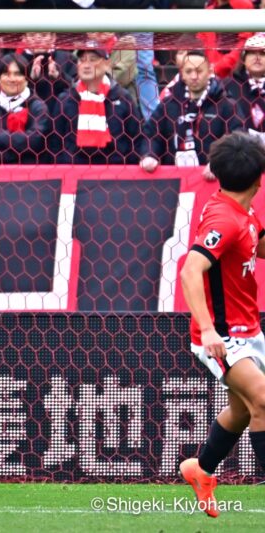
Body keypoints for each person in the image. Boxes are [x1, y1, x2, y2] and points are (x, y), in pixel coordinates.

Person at [178, 131, 265, 518]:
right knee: (264, 399)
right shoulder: (224, 219)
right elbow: (190, 270)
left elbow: (257, 245)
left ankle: (201, 470)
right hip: (222, 336)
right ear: (259, 178)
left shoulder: (241, 211)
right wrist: (209, 329)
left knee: (244, 410)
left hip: (250, 329)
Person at [140, 50, 241, 173]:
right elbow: (151, 134)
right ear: (182, 73)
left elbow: (237, 138)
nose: (194, 76)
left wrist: (220, 163)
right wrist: (150, 155)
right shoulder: (169, 104)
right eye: (188, 71)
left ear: (209, 72)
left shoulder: (226, 105)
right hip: (175, 180)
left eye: (199, 71)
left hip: (214, 180)